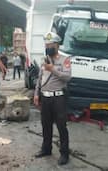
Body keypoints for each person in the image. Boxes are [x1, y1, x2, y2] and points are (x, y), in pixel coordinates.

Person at [33, 32, 71, 165]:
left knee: (61, 126)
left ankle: (64, 153)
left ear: (57, 45)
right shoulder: (44, 58)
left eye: (50, 44)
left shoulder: (65, 59)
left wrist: (52, 69)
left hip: (58, 98)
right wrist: (36, 94)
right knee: (46, 125)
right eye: (46, 44)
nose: (48, 47)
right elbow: (40, 78)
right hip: (45, 98)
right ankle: (46, 149)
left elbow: (67, 77)